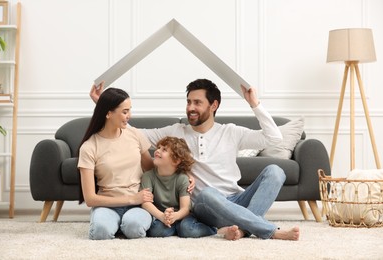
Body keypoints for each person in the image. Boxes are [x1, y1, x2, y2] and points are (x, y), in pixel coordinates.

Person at [90, 79, 299, 241]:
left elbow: (274, 138)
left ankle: (243, 229)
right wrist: (105, 106)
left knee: (275, 171)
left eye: (197, 102)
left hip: (236, 200)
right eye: (189, 102)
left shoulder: (231, 132)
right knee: (208, 194)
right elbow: (133, 132)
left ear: (214, 105)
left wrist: (254, 103)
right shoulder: (176, 131)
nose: (191, 107)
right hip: (204, 206)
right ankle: (269, 231)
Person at [78, 87, 155, 240]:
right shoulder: (89, 147)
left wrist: (183, 175)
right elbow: (90, 199)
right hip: (107, 205)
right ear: (108, 114)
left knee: (134, 228)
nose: (129, 116)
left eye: (129, 110)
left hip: (138, 205)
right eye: (125, 112)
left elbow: (151, 169)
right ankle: (115, 224)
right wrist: (132, 199)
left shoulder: (134, 134)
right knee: (101, 232)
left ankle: (123, 225)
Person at [140, 136, 195, 237]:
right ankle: (174, 228)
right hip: (161, 216)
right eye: (158, 147)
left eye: (164, 150)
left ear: (176, 160)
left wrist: (175, 216)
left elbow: (185, 209)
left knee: (187, 229)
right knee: (155, 231)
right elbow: (145, 203)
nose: (157, 151)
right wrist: (162, 217)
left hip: (181, 216)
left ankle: (214, 230)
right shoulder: (148, 176)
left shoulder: (182, 179)